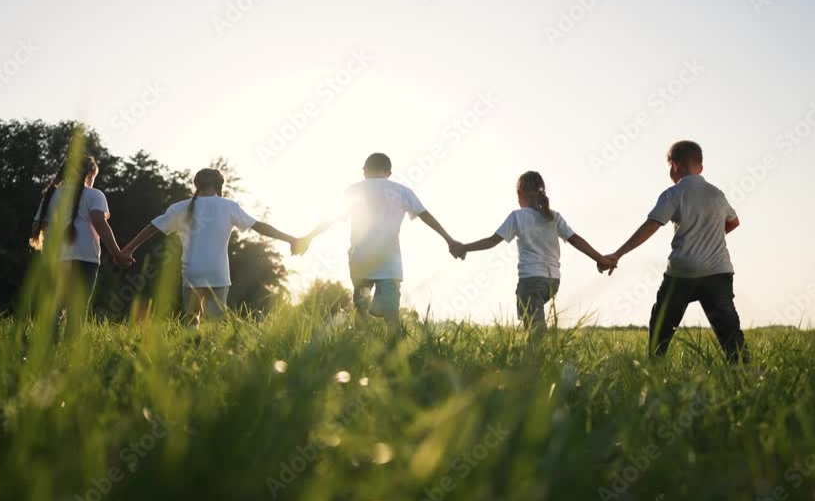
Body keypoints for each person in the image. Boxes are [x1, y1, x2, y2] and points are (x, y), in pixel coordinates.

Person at [603, 140, 748, 363]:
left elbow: (651, 225)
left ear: (675, 167)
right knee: (729, 328)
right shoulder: (716, 194)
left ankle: (655, 368)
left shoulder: (674, 193)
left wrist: (618, 253)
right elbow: (734, 222)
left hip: (683, 273)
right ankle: (744, 372)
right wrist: (709, 236)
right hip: (718, 272)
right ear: (700, 167)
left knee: (662, 321)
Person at [295, 153, 459, 337]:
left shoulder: (353, 190)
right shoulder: (402, 191)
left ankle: (364, 344)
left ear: (364, 171)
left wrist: (308, 237)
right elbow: (425, 215)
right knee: (391, 315)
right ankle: (394, 348)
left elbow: (330, 219)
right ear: (388, 172)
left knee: (361, 307)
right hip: (390, 262)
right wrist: (449, 240)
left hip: (359, 259)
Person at [121, 168, 299, 327]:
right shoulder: (229, 206)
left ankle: (190, 355)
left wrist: (128, 249)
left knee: (192, 319)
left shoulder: (180, 207)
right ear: (219, 186)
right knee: (216, 323)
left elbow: (152, 228)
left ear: (196, 185)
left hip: (192, 272)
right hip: (218, 273)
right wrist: (290, 239)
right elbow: (258, 226)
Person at [450, 171, 615, 341]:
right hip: (552, 282)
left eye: (517, 195)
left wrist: (464, 248)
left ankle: (538, 360)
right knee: (533, 325)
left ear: (521, 193)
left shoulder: (518, 216)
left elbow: (492, 241)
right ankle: (534, 358)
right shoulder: (554, 217)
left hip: (530, 281)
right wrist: (601, 259)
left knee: (535, 331)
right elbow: (576, 240)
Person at [30, 156, 132, 327]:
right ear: (90, 174)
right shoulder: (94, 195)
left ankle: (47, 348)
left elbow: (37, 227)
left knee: (55, 307)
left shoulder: (51, 195)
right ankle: (72, 349)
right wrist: (117, 253)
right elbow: (100, 223)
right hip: (85, 258)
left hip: (54, 259)